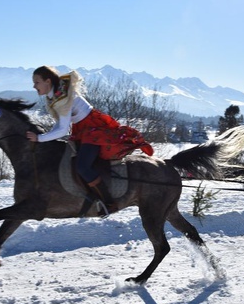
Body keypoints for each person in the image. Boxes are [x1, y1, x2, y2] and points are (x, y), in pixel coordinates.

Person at [25, 66, 153, 215]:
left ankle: (108, 203)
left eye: (36, 82)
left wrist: (40, 138)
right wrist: (44, 136)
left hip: (93, 129)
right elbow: (60, 124)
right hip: (83, 128)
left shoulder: (63, 97)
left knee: (83, 166)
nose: (34, 86)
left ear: (47, 81)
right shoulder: (57, 95)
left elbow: (63, 130)